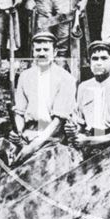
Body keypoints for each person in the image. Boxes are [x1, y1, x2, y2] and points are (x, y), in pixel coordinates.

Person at [65, 40, 110, 157]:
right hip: (88, 142)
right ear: (89, 62)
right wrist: (73, 128)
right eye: (95, 59)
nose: (99, 63)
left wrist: (89, 141)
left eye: (104, 58)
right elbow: (80, 121)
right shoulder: (83, 87)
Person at [12, 32, 76, 164]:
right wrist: (17, 132)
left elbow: (58, 121)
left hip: (53, 138)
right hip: (28, 133)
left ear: (55, 52)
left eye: (46, 49)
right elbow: (19, 112)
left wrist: (33, 147)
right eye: (38, 50)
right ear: (33, 52)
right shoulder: (25, 76)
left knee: (34, 166)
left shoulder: (66, 79)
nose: (42, 53)